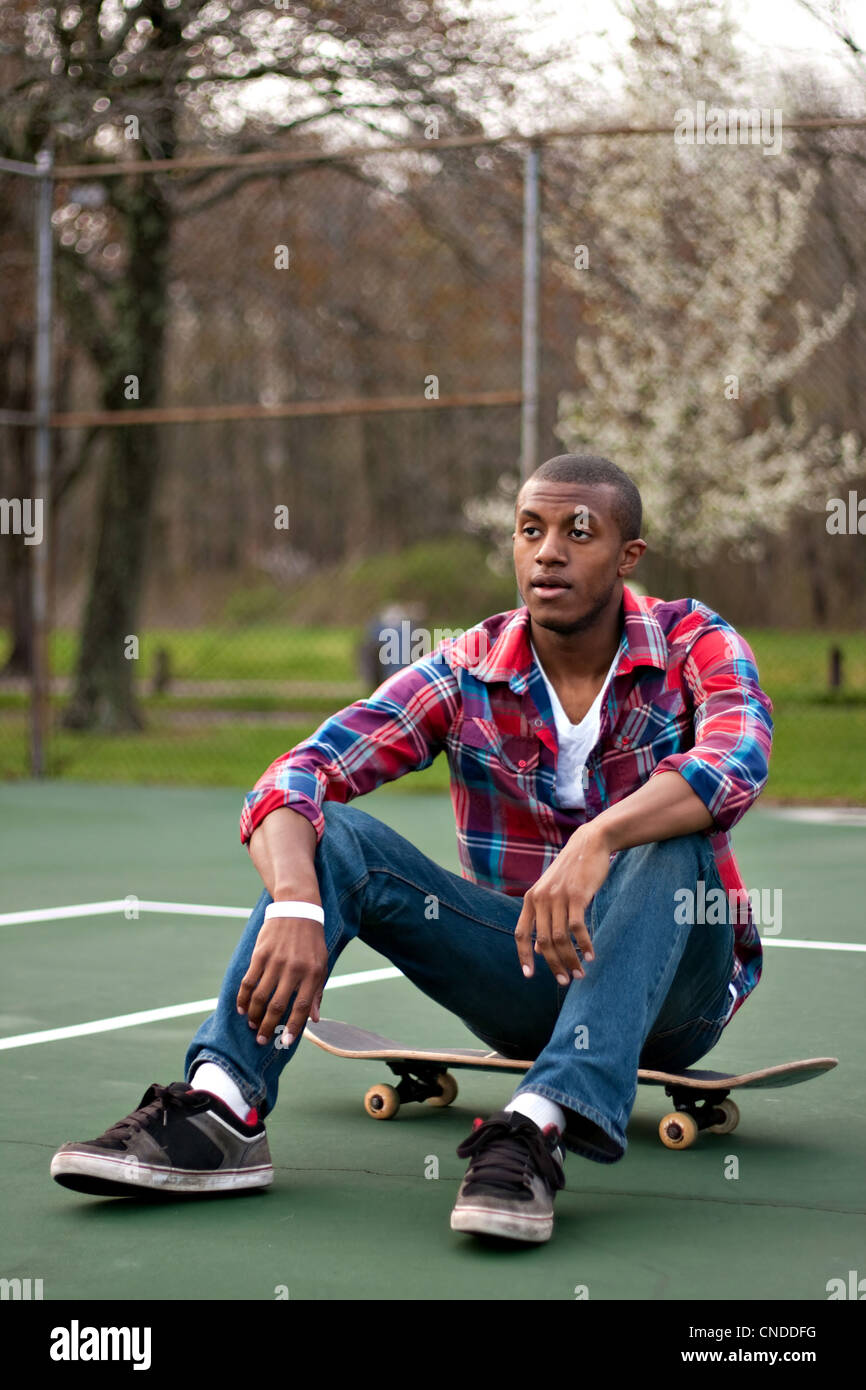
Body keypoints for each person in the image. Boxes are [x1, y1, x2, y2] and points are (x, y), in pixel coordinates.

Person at [51, 454, 773, 1245]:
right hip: (528, 977)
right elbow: (299, 773)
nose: (548, 553)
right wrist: (296, 898)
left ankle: (533, 1131)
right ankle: (225, 1108)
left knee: (669, 844)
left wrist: (601, 837)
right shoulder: (469, 669)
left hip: (676, 993)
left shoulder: (693, 638)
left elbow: (737, 760)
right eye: (530, 531)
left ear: (629, 557)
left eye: (579, 533)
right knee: (338, 841)